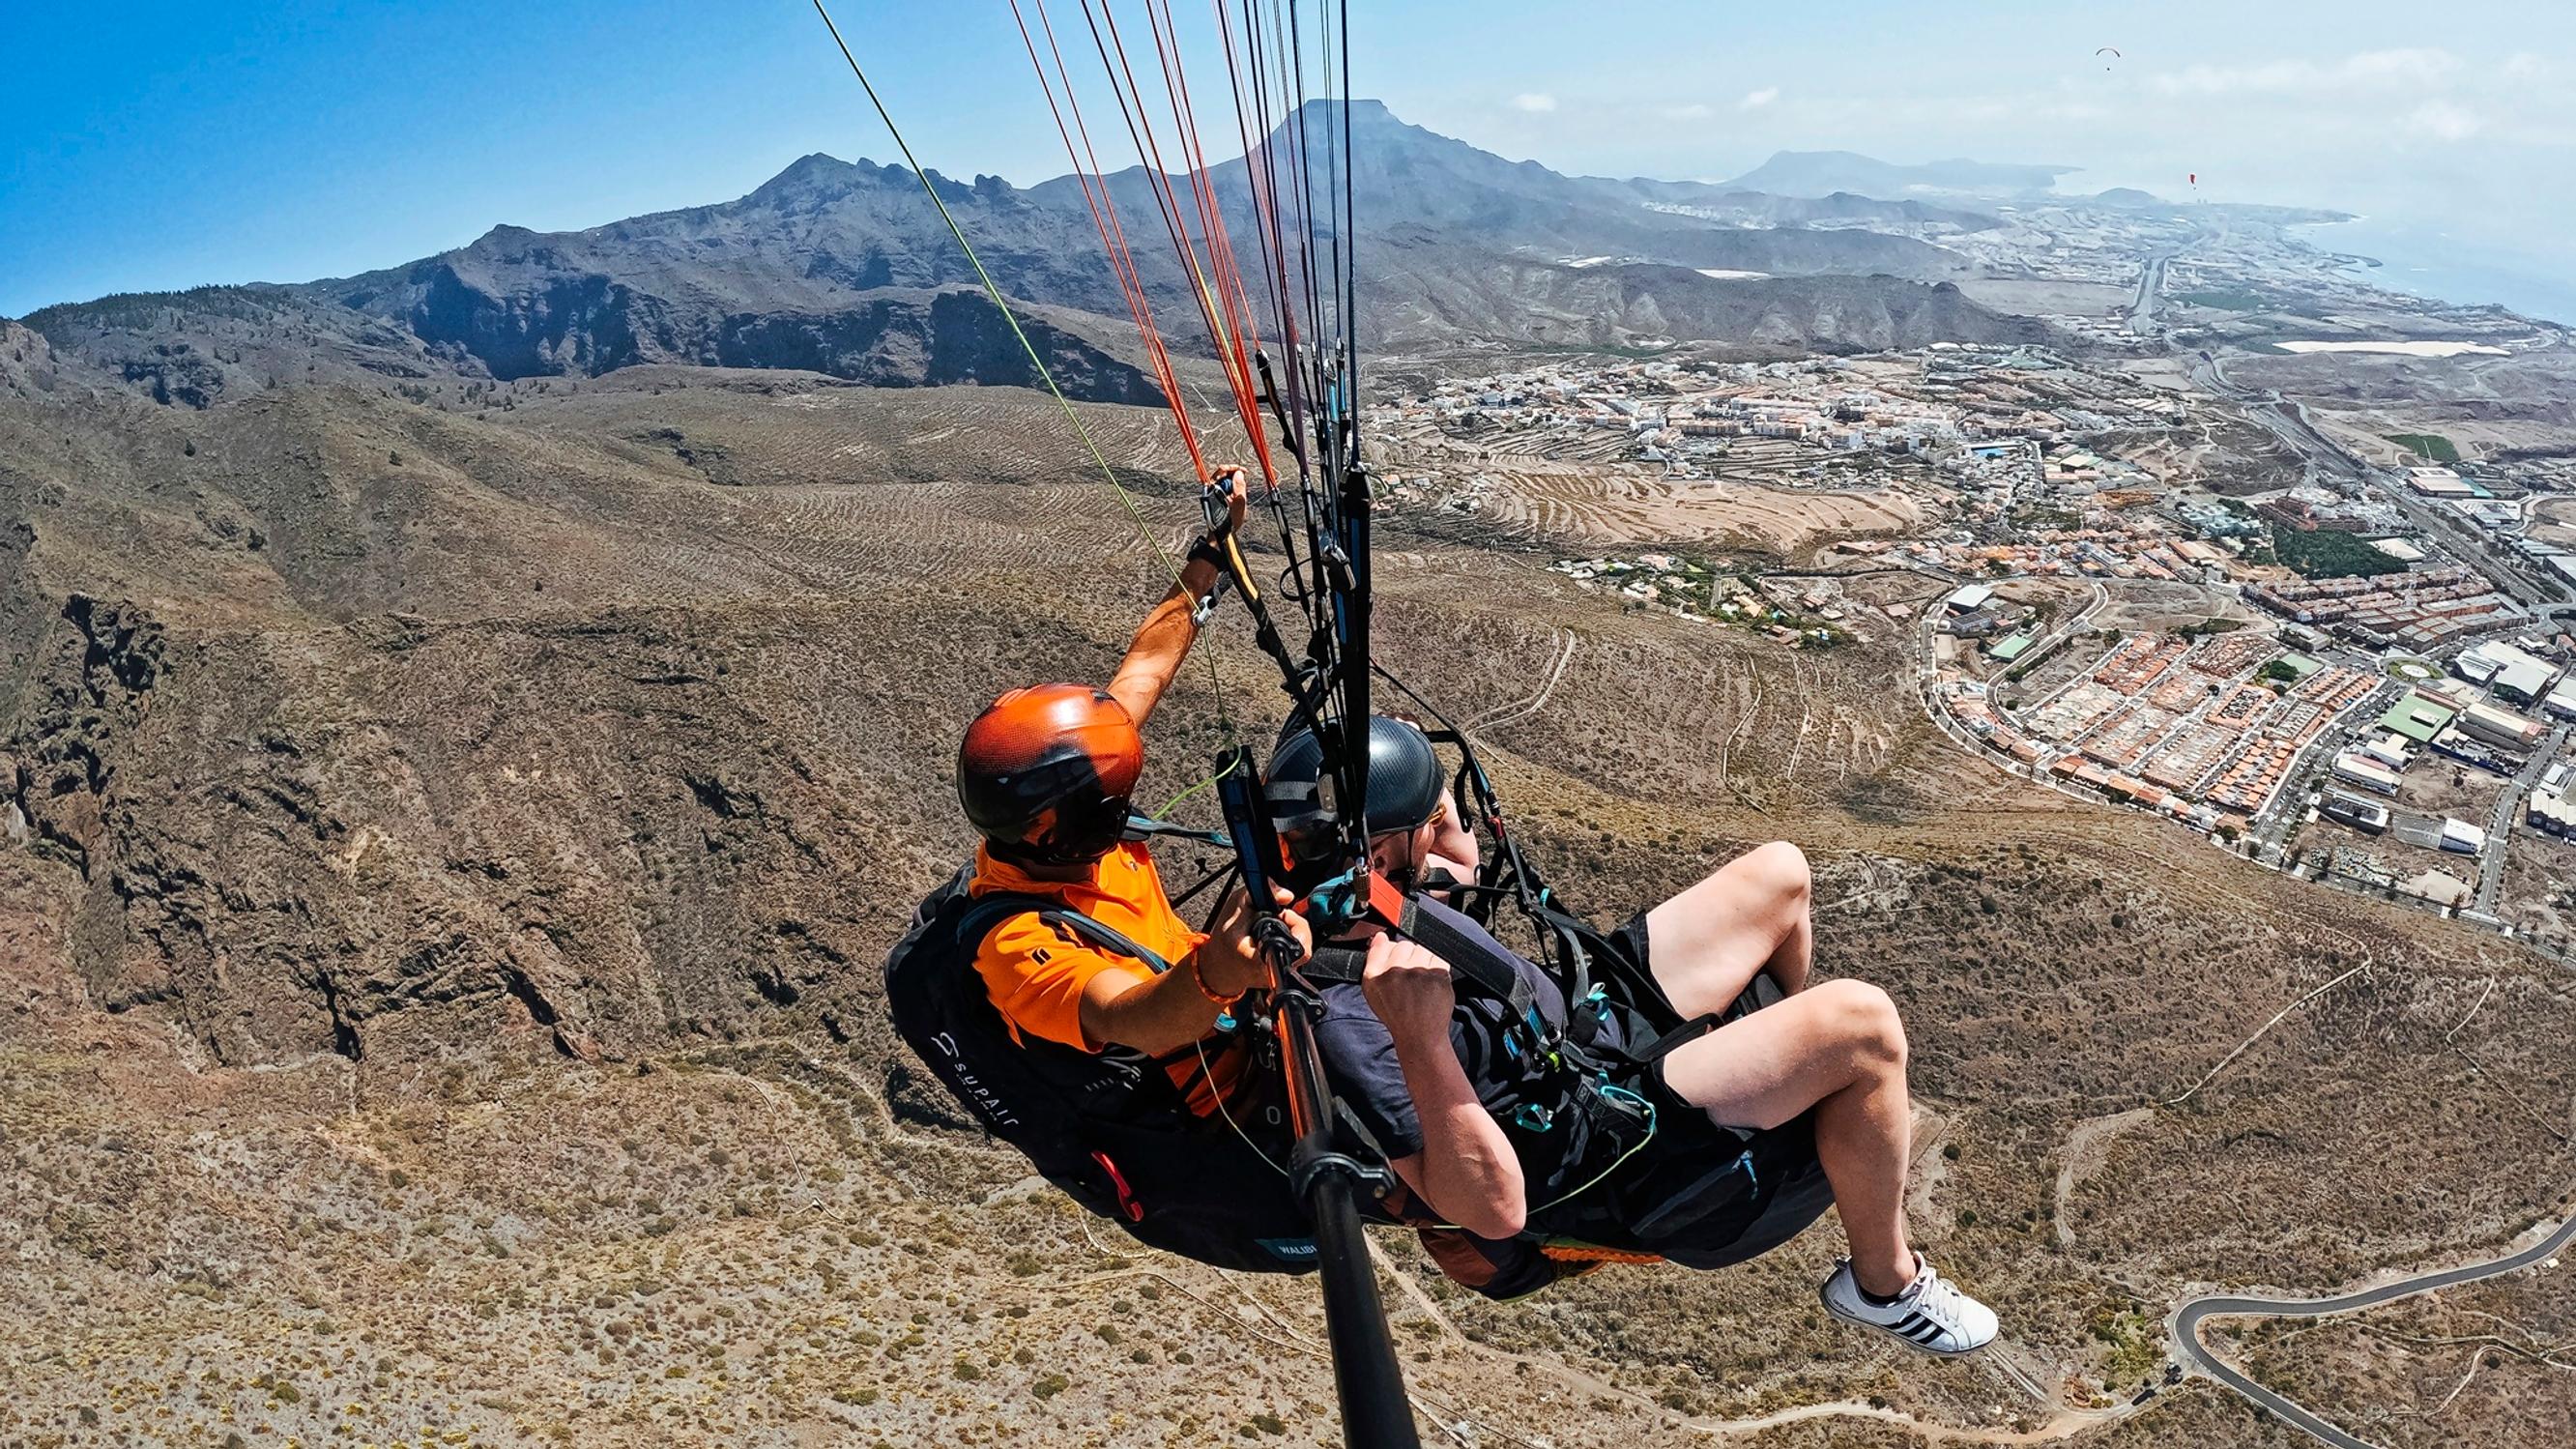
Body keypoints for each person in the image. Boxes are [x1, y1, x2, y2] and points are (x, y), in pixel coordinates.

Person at [1277, 716, 1999, 1355]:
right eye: (1438, 818)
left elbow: (1439, 872)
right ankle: (1882, 1282)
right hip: (1600, 1138)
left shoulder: (1376, 903)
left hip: (1579, 1034)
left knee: (1781, 872)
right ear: (1375, 860)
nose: (1459, 830)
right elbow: (1489, 1209)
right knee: (1862, 1023)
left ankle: (1779, 1081)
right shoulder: (1354, 1022)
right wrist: (1422, 1042)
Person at [951, 467, 1310, 1115]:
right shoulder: (1013, 948)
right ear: (1059, 827)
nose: (1126, 805)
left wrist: (1211, 550)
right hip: (1233, 1097)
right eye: (1114, 800)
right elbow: (1128, 1016)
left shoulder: (1062, 805)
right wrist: (1219, 972)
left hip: (1243, 1000)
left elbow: (1144, 668)